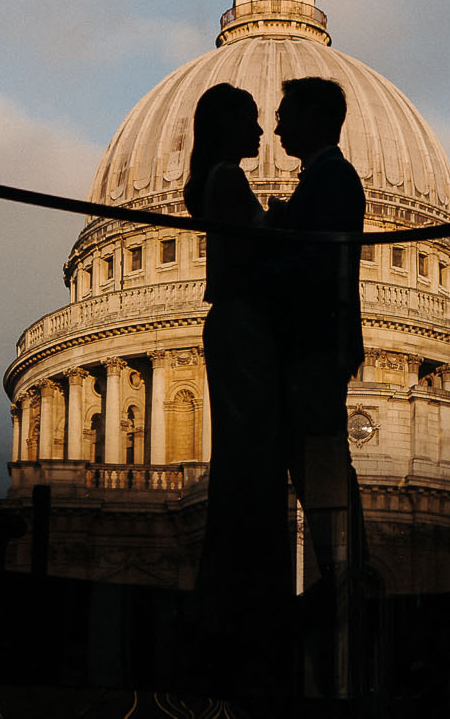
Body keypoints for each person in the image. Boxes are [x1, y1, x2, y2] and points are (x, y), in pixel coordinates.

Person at [264, 74, 368, 694]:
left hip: (314, 336)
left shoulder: (332, 177)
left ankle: (343, 573)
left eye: (285, 115)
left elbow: (316, 260)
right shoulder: (327, 177)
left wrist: (272, 243)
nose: (277, 127)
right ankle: (341, 572)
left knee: (322, 456)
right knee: (314, 459)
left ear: (315, 118)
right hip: (318, 335)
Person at [183, 82, 289, 674]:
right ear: (225, 126)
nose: (261, 131)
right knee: (250, 465)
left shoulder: (216, 178)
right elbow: (251, 256)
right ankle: (239, 605)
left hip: (232, 325)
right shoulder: (228, 179)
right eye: (250, 120)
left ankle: (224, 601)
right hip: (244, 323)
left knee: (242, 463)